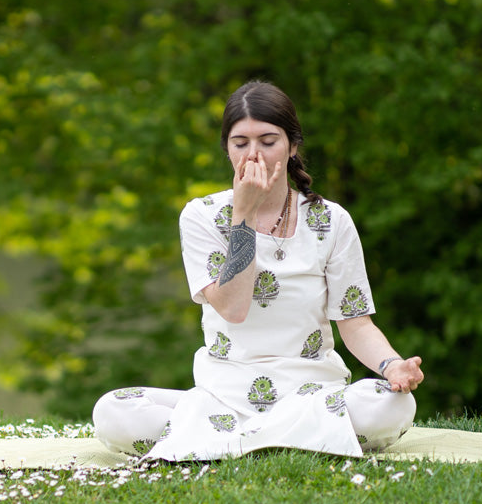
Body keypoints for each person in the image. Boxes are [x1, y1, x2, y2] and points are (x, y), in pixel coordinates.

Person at [92, 80, 424, 460]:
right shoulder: (201, 215)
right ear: (227, 149)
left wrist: (392, 365)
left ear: (292, 146)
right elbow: (233, 308)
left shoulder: (331, 220)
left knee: (392, 405)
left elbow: (356, 324)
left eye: (267, 142)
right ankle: (292, 440)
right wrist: (244, 214)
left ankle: (224, 443)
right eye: (240, 144)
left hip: (311, 393)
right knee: (113, 411)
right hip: (223, 397)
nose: (254, 155)